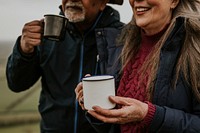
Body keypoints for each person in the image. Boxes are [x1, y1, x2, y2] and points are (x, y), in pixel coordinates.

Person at [75, 0, 200, 132]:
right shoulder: (120, 43)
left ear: (174, 2)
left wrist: (150, 115)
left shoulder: (195, 47)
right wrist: (97, 106)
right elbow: (116, 126)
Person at [6, 0, 124, 132]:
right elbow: (16, 84)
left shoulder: (124, 38)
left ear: (102, 3)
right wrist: (23, 50)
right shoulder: (46, 34)